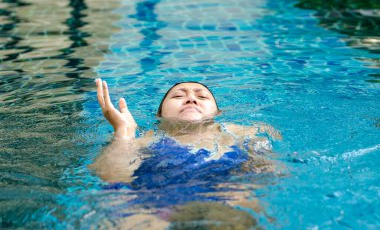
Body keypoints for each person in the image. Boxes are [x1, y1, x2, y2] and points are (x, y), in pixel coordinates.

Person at [90, 78, 281, 228]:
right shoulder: (145, 140)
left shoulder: (244, 133)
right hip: (153, 208)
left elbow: (270, 175)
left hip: (224, 203)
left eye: (202, 97)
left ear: (218, 112)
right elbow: (112, 176)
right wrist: (123, 133)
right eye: (178, 96)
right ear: (160, 114)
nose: (191, 98)